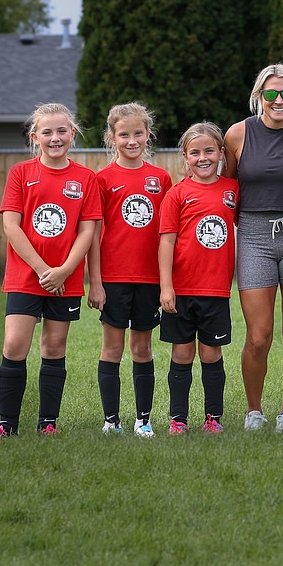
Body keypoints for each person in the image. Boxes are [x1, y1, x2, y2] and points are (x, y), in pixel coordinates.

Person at [0, 103, 101, 437]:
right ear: (35, 136)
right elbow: (11, 226)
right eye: (48, 132)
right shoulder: (21, 174)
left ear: (73, 134)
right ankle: (7, 425)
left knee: (54, 348)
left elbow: (88, 231)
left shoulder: (86, 178)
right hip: (26, 277)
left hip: (64, 280)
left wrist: (66, 270)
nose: (55, 138)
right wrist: (43, 270)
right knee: (14, 345)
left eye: (62, 131)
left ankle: (47, 424)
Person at [224, 64, 283, 433]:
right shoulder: (238, 134)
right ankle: (254, 411)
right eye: (271, 94)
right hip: (253, 234)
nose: (279, 101)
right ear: (258, 97)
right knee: (259, 333)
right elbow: (228, 186)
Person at [87, 102, 172, 438]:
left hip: (149, 279)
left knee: (142, 349)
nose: (132, 140)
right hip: (113, 278)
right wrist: (96, 282)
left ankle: (143, 419)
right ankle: (112, 421)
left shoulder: (161, 178)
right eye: (124, 134)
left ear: (148, 135)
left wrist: (167, 281)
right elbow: (92, 236)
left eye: (138, 133)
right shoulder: (102, 179)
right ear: (112, 137)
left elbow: (168, 236)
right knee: (112, 349)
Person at [159, 122, 239, 434]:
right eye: (195, 152)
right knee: (181, 352)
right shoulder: (177, 194)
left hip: (216, 290)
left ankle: (212, 418)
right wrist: (166, 286)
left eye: (209, 151)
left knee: (210, 352)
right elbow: (166, 241)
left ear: (221, 153)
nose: (203, 158)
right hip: (181, 290)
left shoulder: (232, 190)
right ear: (185, 156)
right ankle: (178, 419)